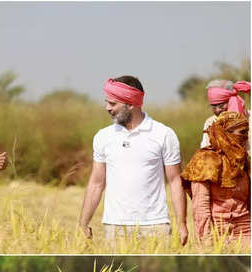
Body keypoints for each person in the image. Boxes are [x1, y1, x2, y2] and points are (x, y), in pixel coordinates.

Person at [79, 76, 188, 245]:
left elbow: (175, 182)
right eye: (107, 102)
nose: (107, 108)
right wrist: (83, 223)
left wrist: (182, 224)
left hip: (155, 227)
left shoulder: (164, 134)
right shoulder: (102, 137)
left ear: (131, 104)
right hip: (115, 228)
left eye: (113, 104)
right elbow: (96, 183)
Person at [181, 111, 250, 243]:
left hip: (245, 229)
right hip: (216, 230)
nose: (246, 137)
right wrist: (206, 239)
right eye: (242, 133)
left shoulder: (243, 161)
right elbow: (201, 205)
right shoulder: (204, 160)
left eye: (247, 132)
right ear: (225, 134)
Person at [200, 80, 250, 148]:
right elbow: (206, 148)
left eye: (221, 106)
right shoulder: (210, 122)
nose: (218, 110)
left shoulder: (249, 118)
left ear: (231, 101)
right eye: (213, 107)